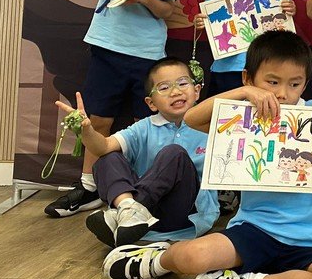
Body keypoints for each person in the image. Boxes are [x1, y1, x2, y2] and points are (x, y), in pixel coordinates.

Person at [102, 31, 312, 279]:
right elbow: (191, 118)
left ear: (306, 83)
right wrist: (244, 93)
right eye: (272, 82)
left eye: (295, 84)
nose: (283, 93)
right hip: (256, 229)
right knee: (193, 257)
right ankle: (155, 260)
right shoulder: (242, 116)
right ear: (249, 77)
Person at [45, 0, 180, 218]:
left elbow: (166, 12)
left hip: (149, 56)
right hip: (107, 49)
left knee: (147, 123)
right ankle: (89, 186)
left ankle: (145, 189)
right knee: (98, 120)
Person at [53, 58, 218, 246]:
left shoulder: (213, 126)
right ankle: (128, 209)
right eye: (164, 88)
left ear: (197, 91)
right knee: (108, 157)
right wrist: (86, 130)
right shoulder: (144, 127)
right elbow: (103, 146)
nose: (175, 92)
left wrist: (243, 91)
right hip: (146, 220)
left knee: (175, 154)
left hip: (185, 213)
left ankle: (129, 212)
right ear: (151, 103)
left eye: (182, 83)